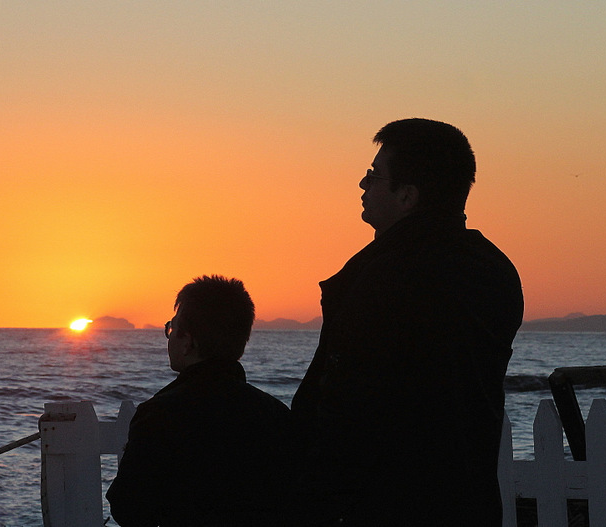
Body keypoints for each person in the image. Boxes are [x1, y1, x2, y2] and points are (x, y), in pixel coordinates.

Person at [290, 118, 524, 526]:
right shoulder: (495, 271)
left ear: (407, 196)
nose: (363, 185)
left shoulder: (381, 278)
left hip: (380, 505)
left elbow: (344, 408)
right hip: (467, 502)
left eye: (373, 176)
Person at [106, 275, 293, 527]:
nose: (169, 337)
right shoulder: (277, 416)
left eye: (171, 329)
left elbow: (128, 506)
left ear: (188, 342)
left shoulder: (160, 415)